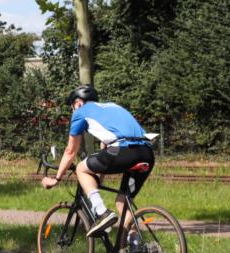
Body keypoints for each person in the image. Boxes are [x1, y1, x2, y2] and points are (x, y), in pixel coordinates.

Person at [41, 85, 155, 239]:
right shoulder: (112, 106)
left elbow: (70, 151)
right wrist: (98, 181)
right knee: (122, 202)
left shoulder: (80, 112)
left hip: (123, 151)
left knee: (81, 168)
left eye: (72, 107)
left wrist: (56, 178)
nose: (72, 111)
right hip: (146, 153)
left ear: (78, 103)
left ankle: (102, 212)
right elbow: (105, 149)